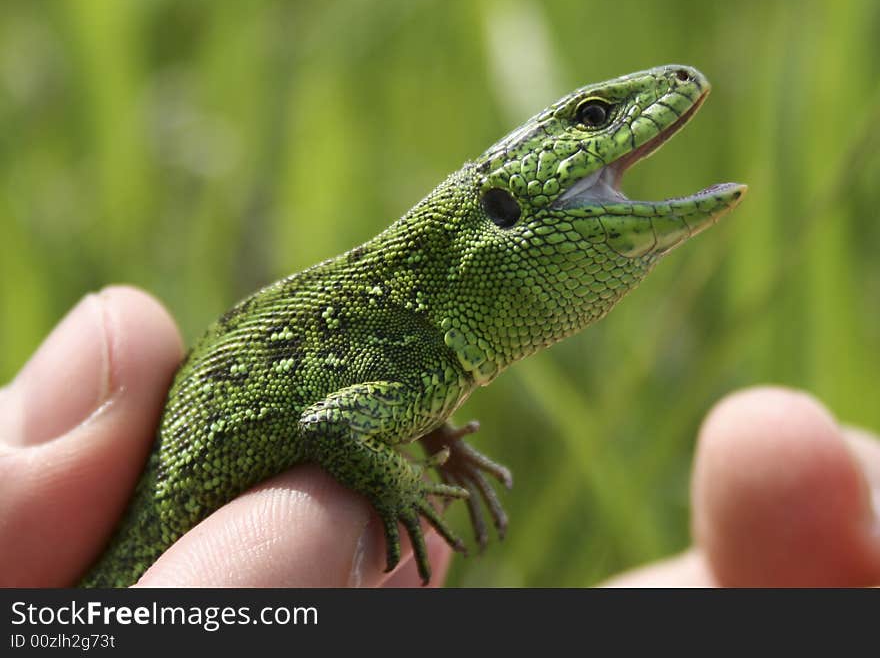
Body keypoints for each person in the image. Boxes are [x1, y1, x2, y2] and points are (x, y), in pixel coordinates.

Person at [2, 286, 878, 587]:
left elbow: (341, 409)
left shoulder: (426, 365)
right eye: (591, 118)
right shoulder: (418, 356)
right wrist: (398, 482)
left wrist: (437, 442)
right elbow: (330, 421)